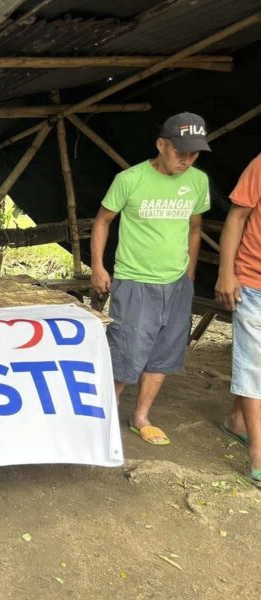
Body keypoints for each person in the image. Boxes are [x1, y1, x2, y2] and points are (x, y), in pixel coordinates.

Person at [90, 112, 211, 446]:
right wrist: (98, 267)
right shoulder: (130, 179)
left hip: (176, 283)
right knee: (126, 348)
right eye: (180, 151)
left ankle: (141, 416)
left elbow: (194, 227)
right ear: (161, 144)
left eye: (194, 153)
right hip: (134, 280)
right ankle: (105, 414)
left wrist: (189, 274)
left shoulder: (197, 182)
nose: (187, 159)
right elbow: (102, 221)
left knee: (164, 351)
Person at [215, 154, 261, 486]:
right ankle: (259, 456)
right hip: (254, 281)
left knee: (255, 360)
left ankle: (236, 420)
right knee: (253, 366)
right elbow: (237, 216)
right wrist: (225, 272)